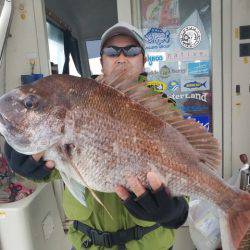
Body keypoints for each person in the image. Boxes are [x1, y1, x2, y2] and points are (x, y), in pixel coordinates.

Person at [4, 21, 189, 250]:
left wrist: (175, 211)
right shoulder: (77, 102)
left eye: (131, 51)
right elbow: (56, 165)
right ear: (101, 61)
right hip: (87, 244)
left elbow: (188, 170)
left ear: (144, 61)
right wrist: (28, 162)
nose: (121, 58)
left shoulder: (165, 112)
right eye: (112, 52)